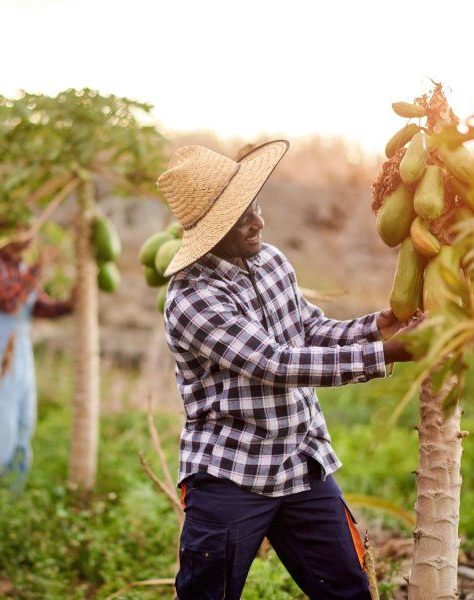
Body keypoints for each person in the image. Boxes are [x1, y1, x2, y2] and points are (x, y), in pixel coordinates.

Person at [156, 141, 423, 600]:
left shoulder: (271, 261)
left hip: (301, 463)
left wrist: (375, 329)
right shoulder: (192, 298)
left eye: (255, 207)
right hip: (231, 474)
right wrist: (388, 354)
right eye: (242, 218)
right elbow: (274, 363)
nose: (258, 222)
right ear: (211, 231)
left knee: (349, 590)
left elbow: (309, 329)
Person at [0, 235, 74, 509]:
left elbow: (36, 304)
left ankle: (5, 504)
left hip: (19, 354)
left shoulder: (20, 266)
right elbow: (9, 302)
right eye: (21, 228)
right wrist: (38, 269)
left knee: (22, 431)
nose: (29, 235)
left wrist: (68, 304)